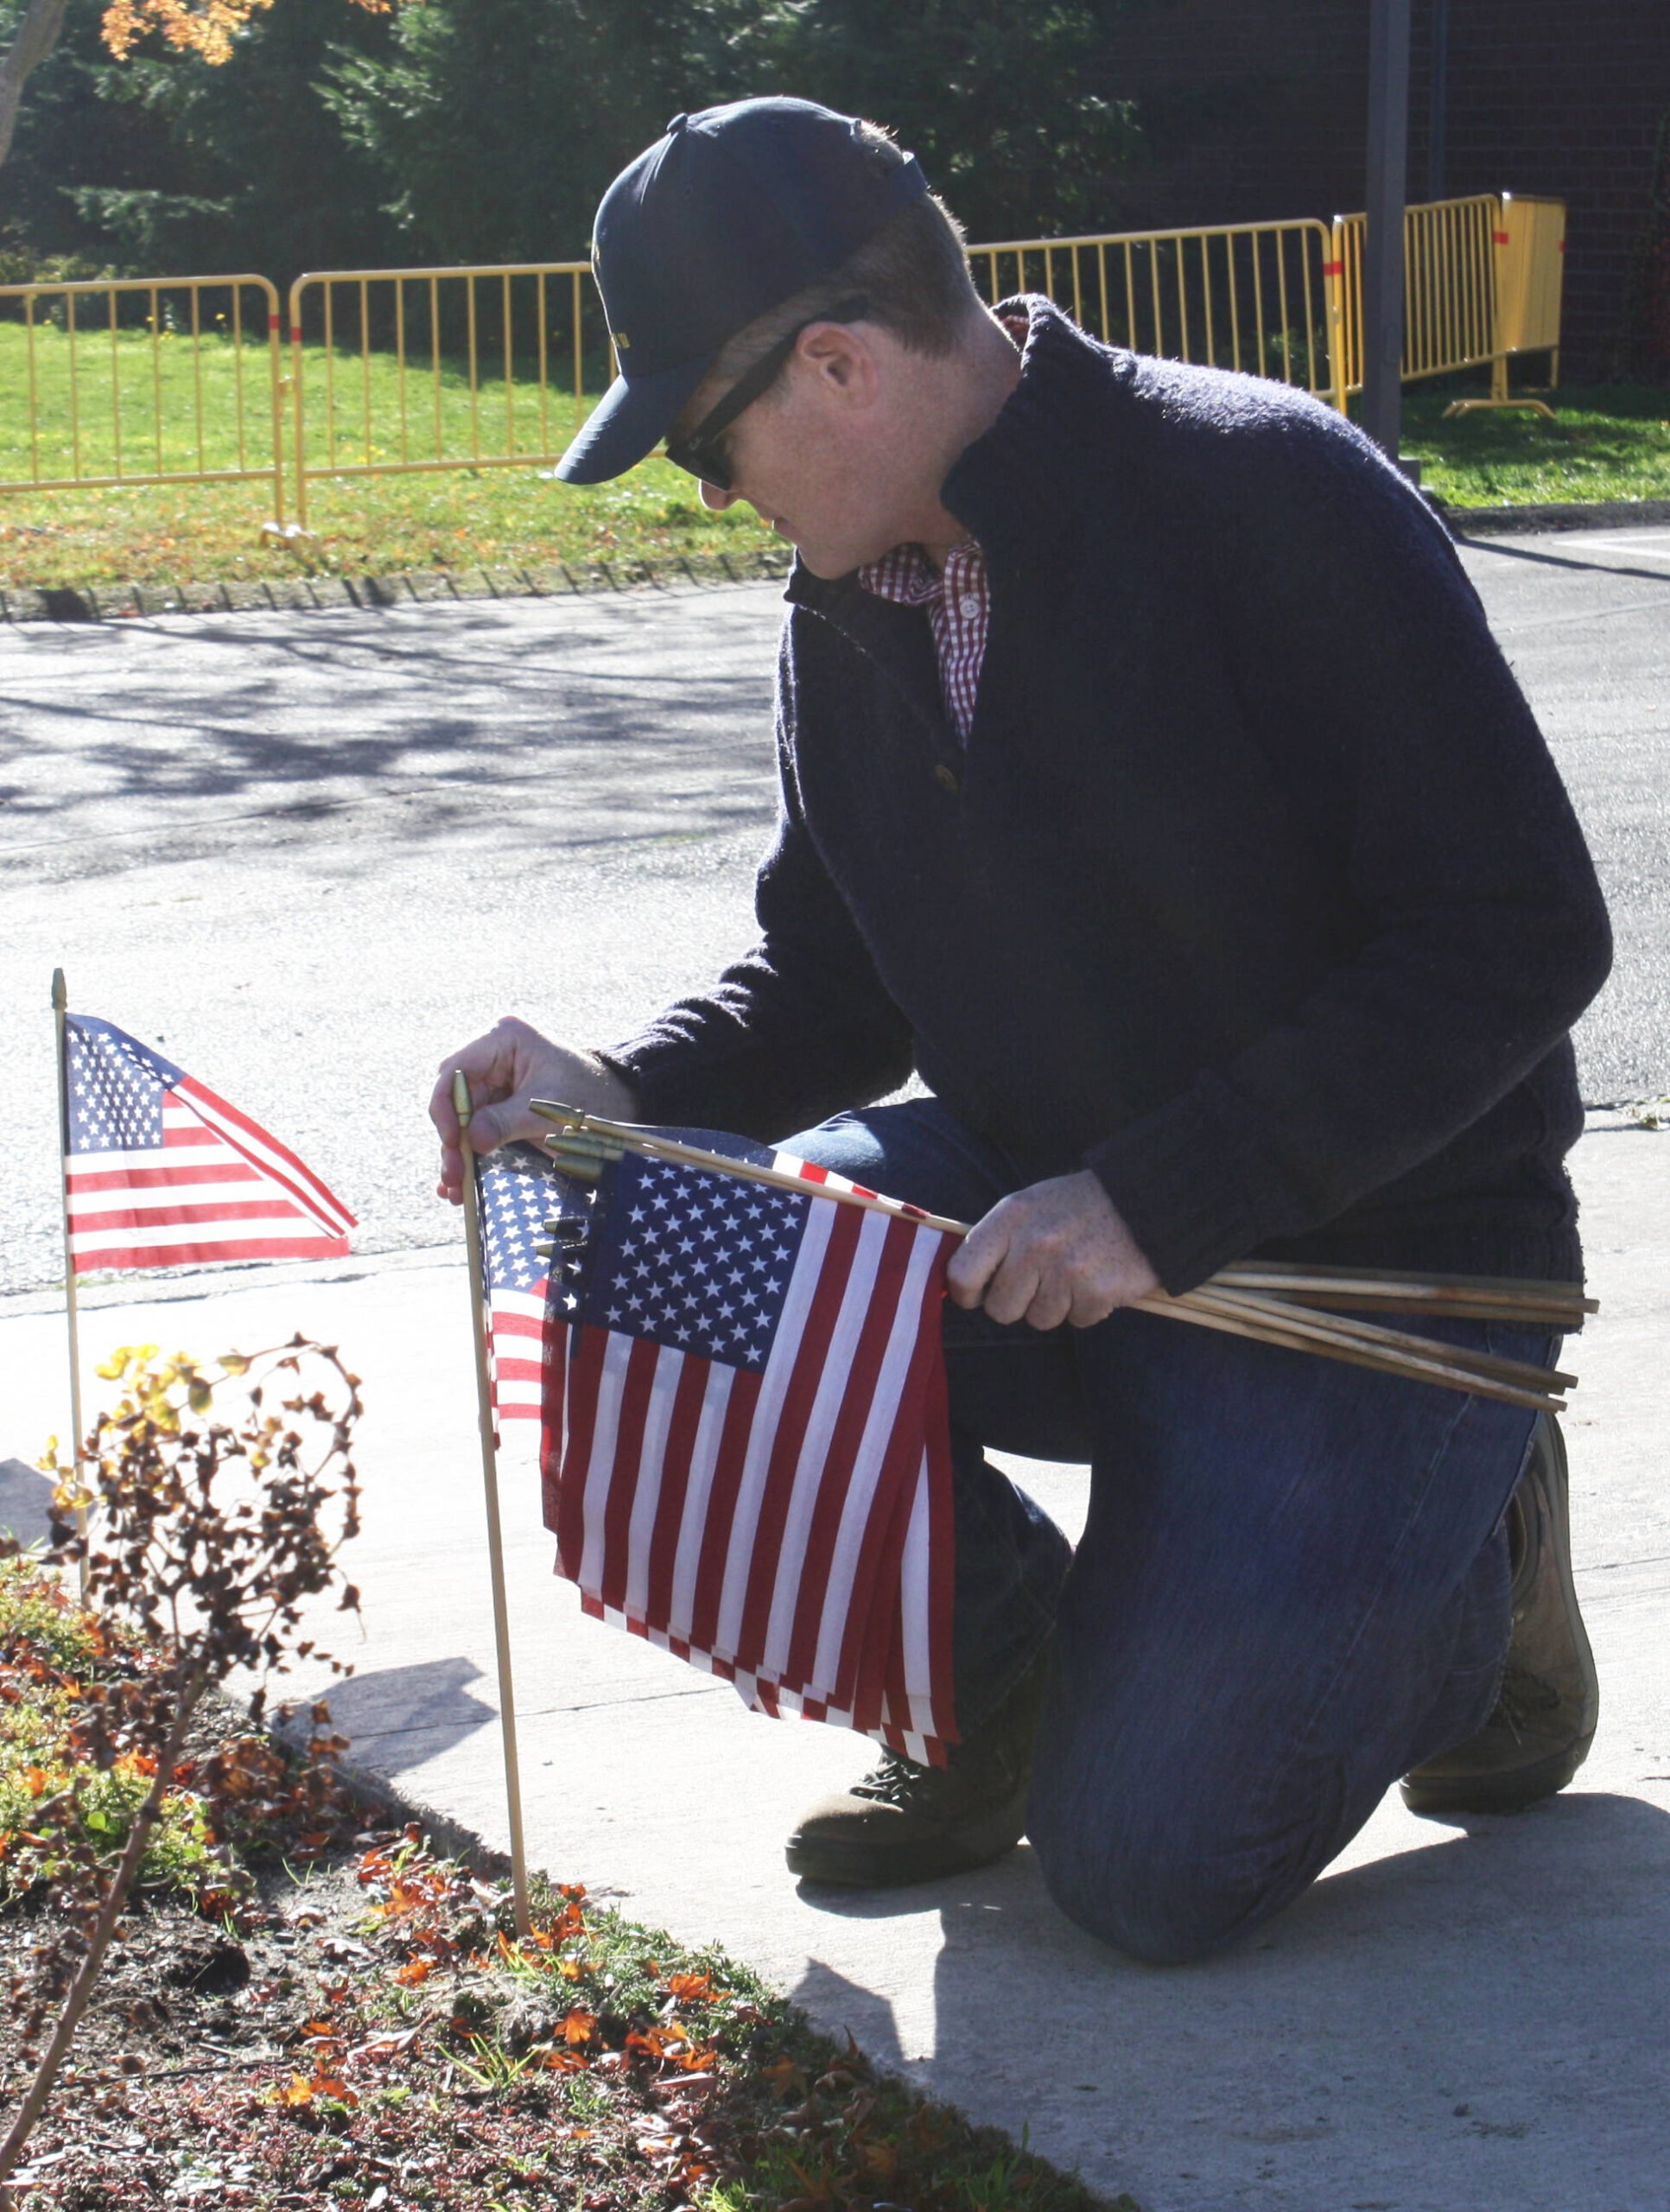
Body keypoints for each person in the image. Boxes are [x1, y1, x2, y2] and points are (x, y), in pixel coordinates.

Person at [430, 97, 1612, 1962]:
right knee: (678, 1220)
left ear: (834, 365)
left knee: (1144, 1878)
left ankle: (1476, 1552)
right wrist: (625, 1086)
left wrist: (1152, 1196)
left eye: (704, 447)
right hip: (1054, 1224)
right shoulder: (849, 601)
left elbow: (1518, 931)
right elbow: (829, 981)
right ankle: (998, 1693)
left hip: (1372, 1279)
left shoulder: (1266, 490)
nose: (712, 495)